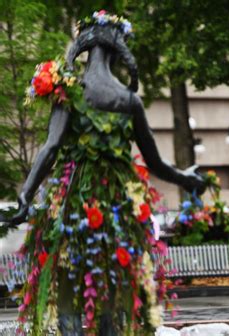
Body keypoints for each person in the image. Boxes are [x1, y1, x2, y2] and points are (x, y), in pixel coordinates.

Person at [0, 11, 205, 335]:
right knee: (110, 292)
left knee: (67, 291)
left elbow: (50, 148)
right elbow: (154, 163)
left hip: (71, 203)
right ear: (115, 50)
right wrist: (186, 178)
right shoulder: (128, 100)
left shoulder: (70, 91)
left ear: (87, 47)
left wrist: (26, 192)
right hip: (116, 208)